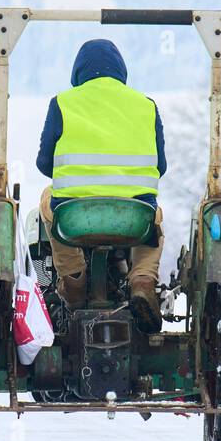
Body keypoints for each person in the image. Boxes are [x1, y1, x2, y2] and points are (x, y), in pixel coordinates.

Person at [35, 40, 165, 329]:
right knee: (156, 218)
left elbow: (44, 164)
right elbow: (161, 167)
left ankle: (74, 282)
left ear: (78, 73)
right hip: (134, 217)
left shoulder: (62, 103)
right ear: (121, 71)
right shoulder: (146, 105)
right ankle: (142, 281)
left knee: (47, 200)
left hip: (74, 218)